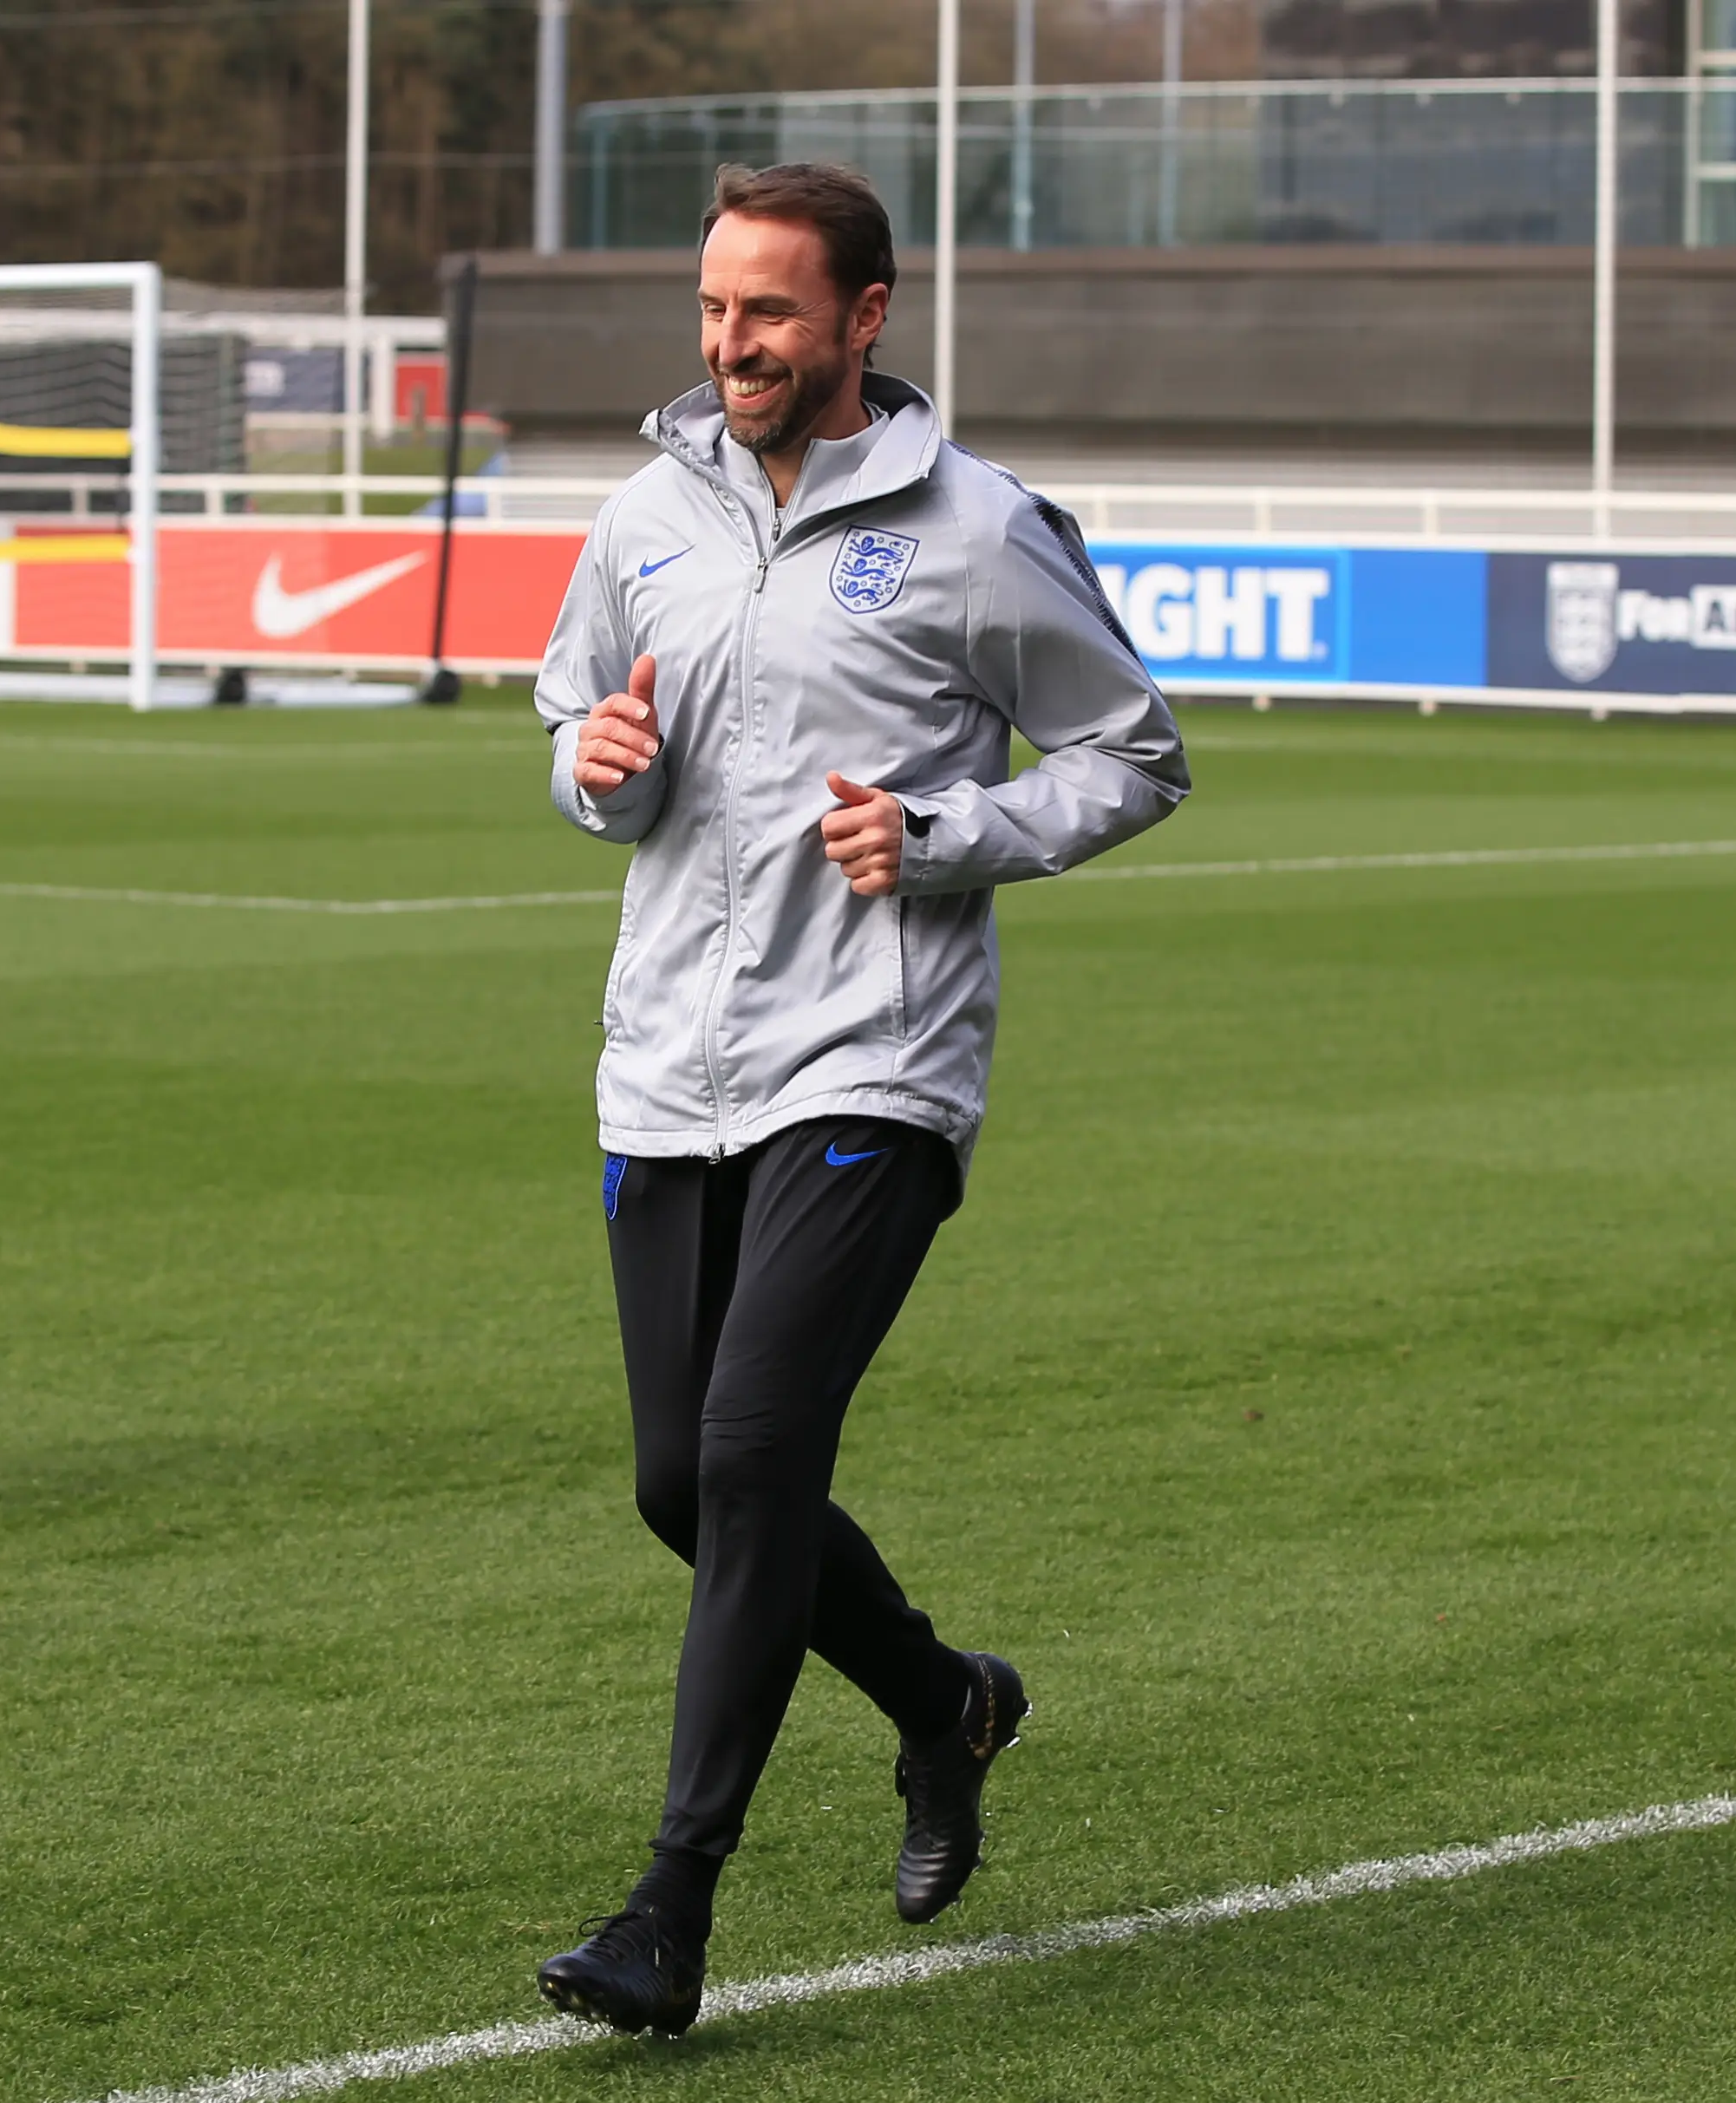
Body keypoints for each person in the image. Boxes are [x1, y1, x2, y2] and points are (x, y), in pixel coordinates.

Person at [529, 162, 1191, 2035]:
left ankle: (669, 1908)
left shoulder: (975, 528)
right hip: (666, 1058)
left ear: (862, 319)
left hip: (871, 1061)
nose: (729, 344)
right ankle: (940, 1702)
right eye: (715, 309)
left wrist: (948, 830)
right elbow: (584, 745)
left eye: (767, 313)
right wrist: (595, 765)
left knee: (750, 1460)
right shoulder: (643, 515)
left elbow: (1131, 753)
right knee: (684, 1484)